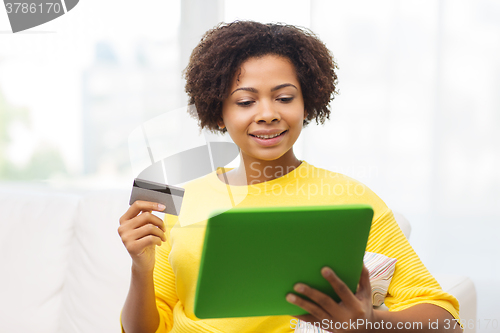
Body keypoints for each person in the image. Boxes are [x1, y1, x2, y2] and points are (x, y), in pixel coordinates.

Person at [118, 21, 462, 333]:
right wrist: (140, 267)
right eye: (245, 102)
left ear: (307, 104)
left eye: (284, 98)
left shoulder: (348, 197)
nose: (267, 114)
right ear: (219, 112)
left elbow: (447, 323)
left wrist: (368, 323)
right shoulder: (181, 199)